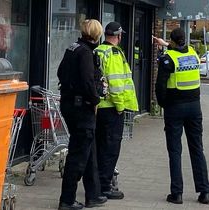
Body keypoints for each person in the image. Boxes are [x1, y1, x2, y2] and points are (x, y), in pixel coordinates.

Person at [153, 28, 209, 205]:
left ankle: (177, 193)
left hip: (175, 108)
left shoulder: (167, 59)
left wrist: (164, 105)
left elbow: (160, 87)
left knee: (175, 151)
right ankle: (205, 192)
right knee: (197, 149)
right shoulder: (193, 54)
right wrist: (165, 44)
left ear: (172, 41)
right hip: (195, 107)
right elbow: (179, 51)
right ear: (184, 40)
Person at [57, 19, 107, 210]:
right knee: (78, 155)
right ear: (97, 34)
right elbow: (87, 82)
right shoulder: (86, 53)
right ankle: (67, 200)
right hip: (82, 108)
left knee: (87, 150)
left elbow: (61, 72)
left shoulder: (73, 48)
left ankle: (92, 194)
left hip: (69, 104)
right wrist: (95, 99)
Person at [94, 22, 139, 200]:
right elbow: (116, 83)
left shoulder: (98, 50)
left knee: (99, 146)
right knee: (110, 148)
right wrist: (120, 106)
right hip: (111, 108)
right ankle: (105, 186)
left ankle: (96, 183)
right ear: (118, 36)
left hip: (99, 107)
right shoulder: (113, 53)